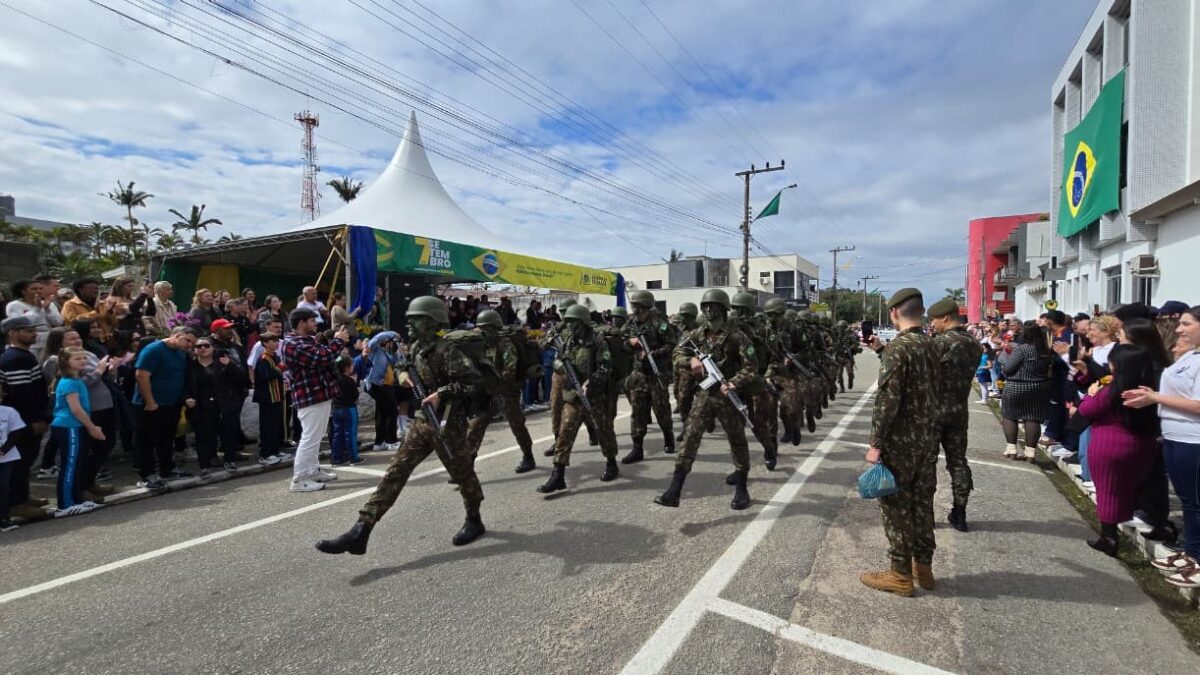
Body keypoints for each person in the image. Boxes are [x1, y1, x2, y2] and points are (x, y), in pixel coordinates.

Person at [315, 296, 487, 555]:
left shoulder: (448, 351)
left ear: (431, 322)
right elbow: (401, 366)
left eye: (415, 319)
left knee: (462, 474)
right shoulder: (416, 347)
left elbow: (474, 383)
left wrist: (441, 393)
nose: (409, 324)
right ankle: (361, 529)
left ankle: (474, 519)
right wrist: (403, 374)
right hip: (422, 421)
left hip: (448, 425)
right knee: (396, 472)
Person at [860, 288, 939, 596]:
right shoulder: (931, 344)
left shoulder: (900, 348)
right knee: (922, 503)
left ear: (894, 312)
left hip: (901, 441)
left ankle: (900, 574)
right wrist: (881, 350)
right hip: (926, 438)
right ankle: (923, 567)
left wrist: (876, 443)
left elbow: (888, 400)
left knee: (895, 505)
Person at [655, 289, 756, 510]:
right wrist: (690, 361)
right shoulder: (696, 335)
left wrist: (734, 383)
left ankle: (742, 487)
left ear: (723, 308)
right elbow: (676, 354)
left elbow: (751, 367)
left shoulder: (737, 336)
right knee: (690, 437)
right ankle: (674, 490)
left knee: (737, 440)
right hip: (704, 395)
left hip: (728, 396)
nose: (708, 310)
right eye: (706, 306)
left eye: (713, 306)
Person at [1124, 305, 1200, 588]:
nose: (1179, 329)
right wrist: (1152, 394)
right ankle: (1191, 552)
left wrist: (1155, 398)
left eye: (1187, 324)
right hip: (1174, 436)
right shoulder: (1190, 356)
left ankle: (1198, 559)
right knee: (1188, 501)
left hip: (1193, 440)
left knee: (1196, 502)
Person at [1077, 344, 1161, 556]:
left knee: (1108, 490)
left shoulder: (1111, 390)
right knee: (1131, 487)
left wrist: (1090, 394)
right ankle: (1157, 521)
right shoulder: (1149, 390)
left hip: (1110, 444)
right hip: (1143, 443)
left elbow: (1087, 410)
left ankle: (1109, 537)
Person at [537, 304, 618, 492]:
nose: (570, 326)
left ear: (583, 322)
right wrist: (560, 366)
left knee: (604, 431)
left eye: (574, 322)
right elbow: (558, 360)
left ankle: (611, 463)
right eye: (568, 322)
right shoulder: (568, 341)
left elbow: (606, 367)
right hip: (573, 395)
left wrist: (592, 382)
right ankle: (558, 475)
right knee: (565, 432)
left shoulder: (598, 342)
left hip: (595, 396)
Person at [928, 298, 984, 532]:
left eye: (934, 319)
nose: (932, 324)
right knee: (958, 462)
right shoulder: (974, 344)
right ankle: (960, 513)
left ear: (945, 318)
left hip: (933, 411)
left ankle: (926, 514)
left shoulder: (940, 343)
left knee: (927, 464)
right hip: (959, 410)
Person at [280, 308, 346, 492]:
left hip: (319, 395)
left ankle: (312, 471)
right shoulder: (293, 344)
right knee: (310, 438)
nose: (316, 324)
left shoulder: (306, 340)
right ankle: (299, 479)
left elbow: (325, 353)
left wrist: (333, 343)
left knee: (316, 437)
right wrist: (339, 341)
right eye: (312, 321)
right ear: (302, 323)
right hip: (309, 397)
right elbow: (322, 358)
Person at [467, 310, 538, 475]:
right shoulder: (483, 344)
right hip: (489, 392)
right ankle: (467, 465)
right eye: (480, 328)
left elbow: (509, 371)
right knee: (476, 426)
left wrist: (490, 381)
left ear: (494, 328)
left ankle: (528, 456)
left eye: (484, 328)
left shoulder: (506, 344)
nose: (481, 332)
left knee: (517, 424)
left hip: (507, 392)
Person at [132, 327, 196, 491]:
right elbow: (141, 376)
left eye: (192, 343)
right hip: (151, 403)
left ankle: (167, 469)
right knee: (147, 440)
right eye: (187, 340)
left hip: (172, 403)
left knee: (167, 437)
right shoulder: (154, 349)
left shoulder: (180, 353)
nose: (189, 345)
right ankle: (146, 475)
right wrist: (150, 401)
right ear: (177, 335)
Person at [0, 316, 50, 523]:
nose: (34, 334)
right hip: (23, 421)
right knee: (21, 461)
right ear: (12, 333)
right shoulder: (15, 359)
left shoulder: (23, 355)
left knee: (25, 461)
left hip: (24, 419)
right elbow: (22, 395)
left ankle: (22, 495)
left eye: (33, 330)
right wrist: (34, 420)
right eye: (28, 331)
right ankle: (17, 503)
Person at [621, 290, 677, 464]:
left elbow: (672, 345)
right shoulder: (631, 323)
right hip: (639, 374)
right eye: (634, 307)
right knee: (637, 412)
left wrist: (654, 353)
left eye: (638, 307)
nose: (635, 310)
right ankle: (637, 448)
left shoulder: (659, 324)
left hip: (657, 373)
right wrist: (630, 342)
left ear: (646, 306)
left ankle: (668, 437)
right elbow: (621, 338)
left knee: (661, 409)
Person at [50, 346, 106, 517]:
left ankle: (77, 500)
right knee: (70, 465)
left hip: (75, 426)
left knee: (78, 464)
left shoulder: (76, 380)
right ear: (66, 362)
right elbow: (76, 409)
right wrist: (92, 427)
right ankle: (65, 504)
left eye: (83, 357)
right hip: (69, 426)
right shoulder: (68, 382)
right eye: (77, 358)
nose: (82, 361)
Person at [184, 337, 249, 474]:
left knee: (228, 433)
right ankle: (204, 465)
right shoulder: (190, 366)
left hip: (223, 404)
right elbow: (185, 385)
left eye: (206, 345)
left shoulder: (222, 362)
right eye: (199, 346)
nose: (203, 348)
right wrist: (187, 398)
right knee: (203, 436)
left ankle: (229, 460)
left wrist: (230, 365)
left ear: (213, 348)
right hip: (201, 405)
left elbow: (242, 378)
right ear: (194, 350)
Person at [998, 322, 1053, 461]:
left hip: (1017, 386)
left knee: (1010, 416)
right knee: (1033, 418)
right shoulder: (1046, 350)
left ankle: (1011, 449)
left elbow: (1008, 369)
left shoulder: (1022, 349)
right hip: (1039, 387)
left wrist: (1005, 362)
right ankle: (1030, 452)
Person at [6, 278, 63, 359]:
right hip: (28, 341)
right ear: (23, 291)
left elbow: (58, 322)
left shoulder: (48, 303)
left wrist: (47, 309)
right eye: (34, 289)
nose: (38, 291)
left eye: (40, 288)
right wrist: (37, 309)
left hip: (48, 340)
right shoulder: (14, 305)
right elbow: (20, 323)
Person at [252, 332, 286, 466]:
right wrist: (280, 368)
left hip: (277, 396)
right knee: (268, 426)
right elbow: (266, 376)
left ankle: (275, 451)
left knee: (276, 425)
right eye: (273, 341)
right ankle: (265, 454)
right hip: (267, 397)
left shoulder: (275, 356)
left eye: (277, 341)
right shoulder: (263, 359)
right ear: (265, 343)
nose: (276, 343)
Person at [329, 357, 363, 467]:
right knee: (350, 433)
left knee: (337, 434)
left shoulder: (334, 381)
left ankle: (336, 458)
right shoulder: (349, 380)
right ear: (347, 368)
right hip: (349, 408)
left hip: (336, 409)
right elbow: (355, 395)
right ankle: (353, 457)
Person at [0, 384, 25, 532]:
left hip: (5, 458)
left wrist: (4, 450)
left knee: (3, 488)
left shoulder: (9, 412)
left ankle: (3, 519)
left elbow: (16, 433)